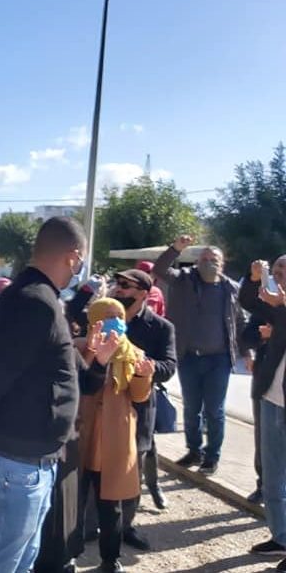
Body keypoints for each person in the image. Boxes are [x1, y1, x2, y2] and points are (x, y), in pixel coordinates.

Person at [0, 217, 116, 573]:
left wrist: (99, 361)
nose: (80, 269)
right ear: (73, 256)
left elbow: (76, 377)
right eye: (81, 261)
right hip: (13, 463)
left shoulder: (45, 300)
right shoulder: (33, 301)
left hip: (30, 461)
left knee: (21, 560)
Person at [153, 236, 247, 475]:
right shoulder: (184, 280)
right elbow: (159, 269)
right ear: (196, 262)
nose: (208, 262)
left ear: (222, 264)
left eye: (213, 258)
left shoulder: (231, 289)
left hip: (219, 359)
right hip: (189, 357)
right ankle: (194, 450)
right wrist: (175, 249)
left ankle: (212, 456)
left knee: (214, 410)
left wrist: (247, 352)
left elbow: (239, 323)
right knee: (191, 407)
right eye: (204, 258)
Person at [76, 298, 154, 573]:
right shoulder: (78, 348)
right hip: (82, 432)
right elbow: (76, 382)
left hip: (114, 437)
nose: (115, 322)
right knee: (73, 500)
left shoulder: (133, 352)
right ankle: (67, 555)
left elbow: (139, 396)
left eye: (119, 316)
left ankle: (110, 560)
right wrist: (94, 356)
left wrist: (144, 377)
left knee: (111, 504)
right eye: (108, 315)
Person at [109, 269, 177, 550]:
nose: (119, 289)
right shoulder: (104, 318)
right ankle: (90, 525)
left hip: (139, 407)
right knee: (97, 464)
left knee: (132, 468)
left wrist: (151, 367)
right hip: (104, 404)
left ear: (143, 293)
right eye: (118, 283)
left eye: (126, 285)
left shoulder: (162, 327)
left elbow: (169, 366)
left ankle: (124, 527)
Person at [240, 257, 286, 570]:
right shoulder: (275, 305)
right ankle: (281, 537)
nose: (278, 275)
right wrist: (255, 277)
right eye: (277, 269)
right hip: (271, 398)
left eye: (284, 271)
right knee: (272, 478)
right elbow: (247, 302)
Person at [242, 297, 277, 505]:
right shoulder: (264, 307)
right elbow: (246, 337)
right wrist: (261, 336)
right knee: (263, 437)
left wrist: (277, 334)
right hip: (264, 383)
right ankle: (263, 485)